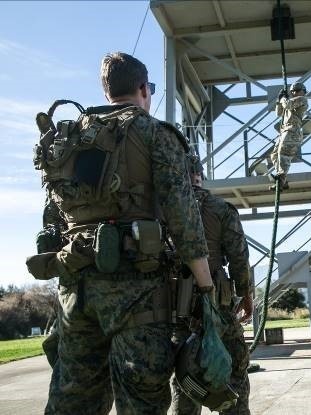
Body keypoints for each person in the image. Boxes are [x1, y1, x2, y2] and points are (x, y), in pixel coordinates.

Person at [28, 52, 213, 415]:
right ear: (144, 89)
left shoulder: (69, 137)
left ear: (106, 89)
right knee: (142, 400)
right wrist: (205, 286)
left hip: (75, 292)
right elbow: (183, 217)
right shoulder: (153, 132)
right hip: (137, 295)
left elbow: (52, 217)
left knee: (73, 399)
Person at [170, 155, 253, 415]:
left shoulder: (164, 209)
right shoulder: (221, 209)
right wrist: (245, 293)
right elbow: (239, 258)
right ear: (200, 177)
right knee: (235, 372)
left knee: (184, 377)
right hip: (219, 305)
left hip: (175, 309)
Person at [269, 81, 308, 190]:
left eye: (296, 91)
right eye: (292, 92)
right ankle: (282, 180)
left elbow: (288, 104)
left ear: (303, 92)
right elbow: (279, 113)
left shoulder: (302, 100)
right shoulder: (290, 101)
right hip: (284, 130)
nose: (294, 93)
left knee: (283, 153)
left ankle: (281, 178)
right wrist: (279, 100)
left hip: (293, 130)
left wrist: (283, 99)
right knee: (275, 155)